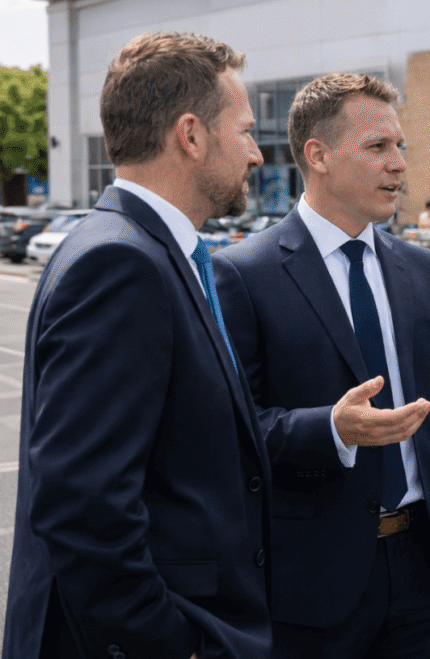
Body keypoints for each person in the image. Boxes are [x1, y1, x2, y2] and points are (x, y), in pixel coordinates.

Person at [3, 32, 272, 658]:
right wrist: (172, 644)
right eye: (245, 131)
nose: (257, 155)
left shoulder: (136, 248)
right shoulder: (122, 264)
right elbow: (83, 505)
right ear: (191, 135)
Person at [213, 72, 430, 659]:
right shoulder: (241, 274)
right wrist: (331, 430)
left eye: (400, 147)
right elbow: (230, 435)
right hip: (312, 583)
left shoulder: (423, 270)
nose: (399, 166)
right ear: (317, 155)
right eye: (376, 147)